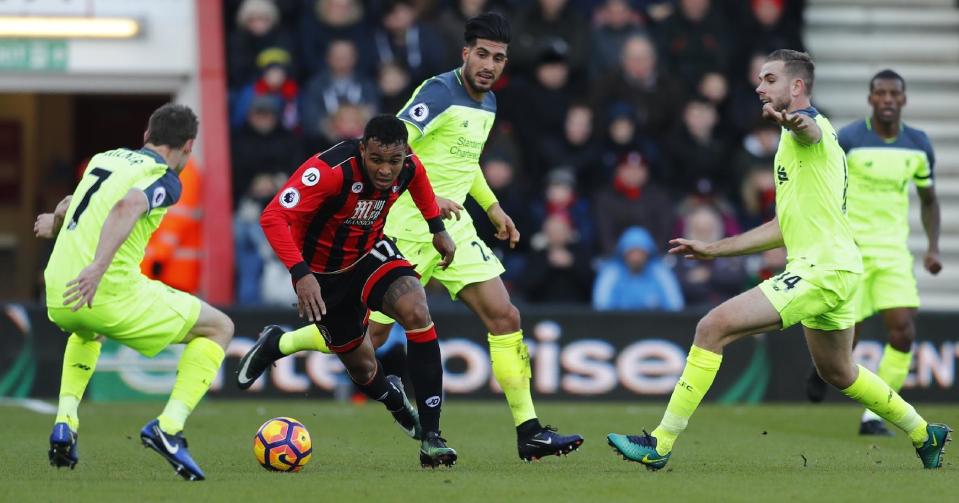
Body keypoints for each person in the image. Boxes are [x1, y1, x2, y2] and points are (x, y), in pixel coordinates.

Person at [606, 50, 951, 470]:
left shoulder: (811, 128)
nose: (759, 86)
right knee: (839, 372)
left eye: (769, 79)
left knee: (712, 327)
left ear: (797, 87)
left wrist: (793, 121)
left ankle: (659, 443)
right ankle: (925, 433)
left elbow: (810, 129)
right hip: (838, 268)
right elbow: (781, 227)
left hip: (820, 270)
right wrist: (714, 248)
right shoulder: (794, 143)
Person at [262, 12, 584, 462]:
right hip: (406, 226)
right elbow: (395, 150)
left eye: (500, 58)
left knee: (504, 315)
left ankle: (529, 431)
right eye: (483, 55)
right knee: (367, 341)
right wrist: (430, 202)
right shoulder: (437, 93)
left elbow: (465, 161)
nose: (490, 65)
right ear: (465, 53)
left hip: (454, 227)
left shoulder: (488, 104)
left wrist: (491, 206)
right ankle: (281, 342)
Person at [235, 115, 458, 468]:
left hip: (371, 253)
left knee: (416, 310)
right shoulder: (329, 170)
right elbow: (273, 216)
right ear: (363, 148)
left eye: (394, 161)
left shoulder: (407, 165)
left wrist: (437, 228)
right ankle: (395, 401)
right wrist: (301, 273)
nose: (386, 170)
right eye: (377, 160)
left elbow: (419, 180)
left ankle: (432, 437)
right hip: (322, 275)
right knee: (364, 368)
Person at [36, 104, 233, 481]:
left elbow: (71, 202)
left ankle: (65, 420)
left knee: (86, 331)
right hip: (103, 288)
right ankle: (169, 428)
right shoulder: (164, 176)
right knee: (219, 327)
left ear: (146, 134)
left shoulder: (104, 158)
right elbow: (129, 205)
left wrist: (55, 221)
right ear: (188, 146)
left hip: (59, 291)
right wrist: (97, 267)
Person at [805, 70, 942, 436]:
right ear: (870, 99)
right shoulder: (849, 139)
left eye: (893, 93)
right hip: (851, 250)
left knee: (903, 333)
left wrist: (932, 248)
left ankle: (874, 415)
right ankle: (824, 368)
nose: (886, 99)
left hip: (894, 253)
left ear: (903, 100)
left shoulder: (918, 143)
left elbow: (929, 201)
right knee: (850, 336)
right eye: (879, 93)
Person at [592, 226, 684, 311]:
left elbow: (675, 306)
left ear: (648, 253)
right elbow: (601, 308)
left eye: (640, 252)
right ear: (623, 253)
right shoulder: (611, 273)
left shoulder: (660, 272)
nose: (636, 258)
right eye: (631, 252)